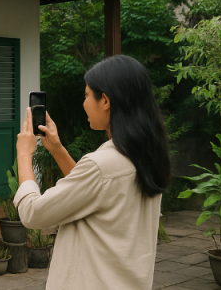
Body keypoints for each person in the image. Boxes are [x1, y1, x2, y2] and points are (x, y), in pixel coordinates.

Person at [14, 55, 171, 290]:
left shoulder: (103, 165)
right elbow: (95, 193)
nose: (84, 103)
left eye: (87, 95)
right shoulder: (147, 156)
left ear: (105, 100)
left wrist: (24, 154)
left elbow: (32, 213)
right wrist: (57, 150)